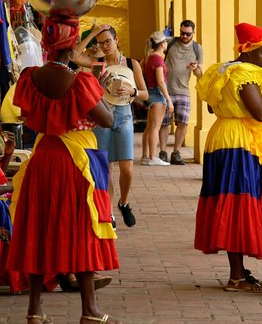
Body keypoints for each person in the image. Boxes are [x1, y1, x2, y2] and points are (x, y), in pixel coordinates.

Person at [6, 17, 122, 324]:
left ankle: (34, 309)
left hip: (42, 158)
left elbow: (22, 113)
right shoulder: (80, 82)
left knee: (37, 229)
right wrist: (102, 88)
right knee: (80, 229)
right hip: (74, 162)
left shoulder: (29, 78)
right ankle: (90, 310)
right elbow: (107, 119)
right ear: (72, 47)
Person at [194, 22, 262, 292]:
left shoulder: (222, 70)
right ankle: (236, 277)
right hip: (239, 143)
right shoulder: (245, 73)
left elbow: (211, 106)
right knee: (238, 204)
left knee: (231, 201)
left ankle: (239, 272)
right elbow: (260, 113)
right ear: (249, 51)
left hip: (222, 136)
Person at [72, 24, 148, 229]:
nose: (104, 46)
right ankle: (108, 213)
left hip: (123, 115)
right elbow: (74, 55)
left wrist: (132, 91)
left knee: (127, 168)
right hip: (104, 114)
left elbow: (145, 93)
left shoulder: (132, 64)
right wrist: (93, 34)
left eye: (108, 41)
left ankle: (123, 202)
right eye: (100, 42)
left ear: (117, 41)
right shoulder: (98, 64)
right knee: (106, 168)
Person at [158, 20, 203, 164]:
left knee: (183, 122)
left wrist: (195, 68)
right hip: (165, 89)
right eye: (182, 33)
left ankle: (176, 153)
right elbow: (156, 53)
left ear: (193, 33)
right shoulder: (170, 42)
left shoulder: (197, 48)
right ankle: (163, 152)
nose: (184, 36)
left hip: (183, 90)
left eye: (188, 34)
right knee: (164, 123)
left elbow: (200, 73)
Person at [141, 31, 173, 165]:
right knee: (155, 127)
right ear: (162, 44)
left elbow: (142, 67)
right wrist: (169, 100)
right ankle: (153, 157)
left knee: (149, 127)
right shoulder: (158, 60)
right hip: (158, 94)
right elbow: (160, 81)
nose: (167, 44)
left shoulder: (149, 58)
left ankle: (145, 156)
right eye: (165, 42)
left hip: (151, 93)